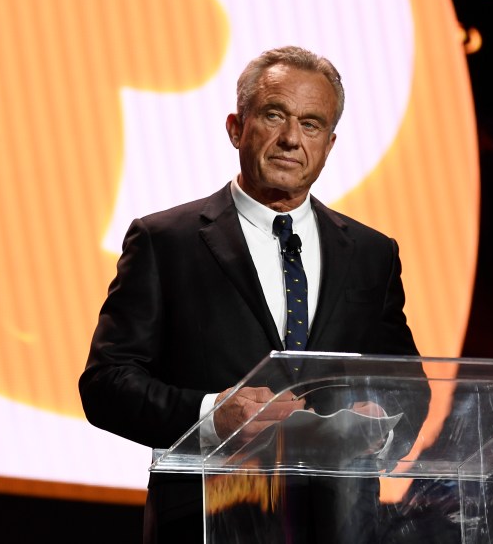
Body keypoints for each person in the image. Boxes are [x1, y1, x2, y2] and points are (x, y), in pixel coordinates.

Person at [79, 46, 427, 542]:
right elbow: (106, 385)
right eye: (274, 115)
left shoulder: (371, 255)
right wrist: (212, 415)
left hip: (340, 524)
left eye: (310, 125)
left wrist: (384, 423)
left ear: (329, 144)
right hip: (207, 519)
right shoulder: (165, 241)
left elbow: (409, 386)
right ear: (236, 128)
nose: (290, 139)